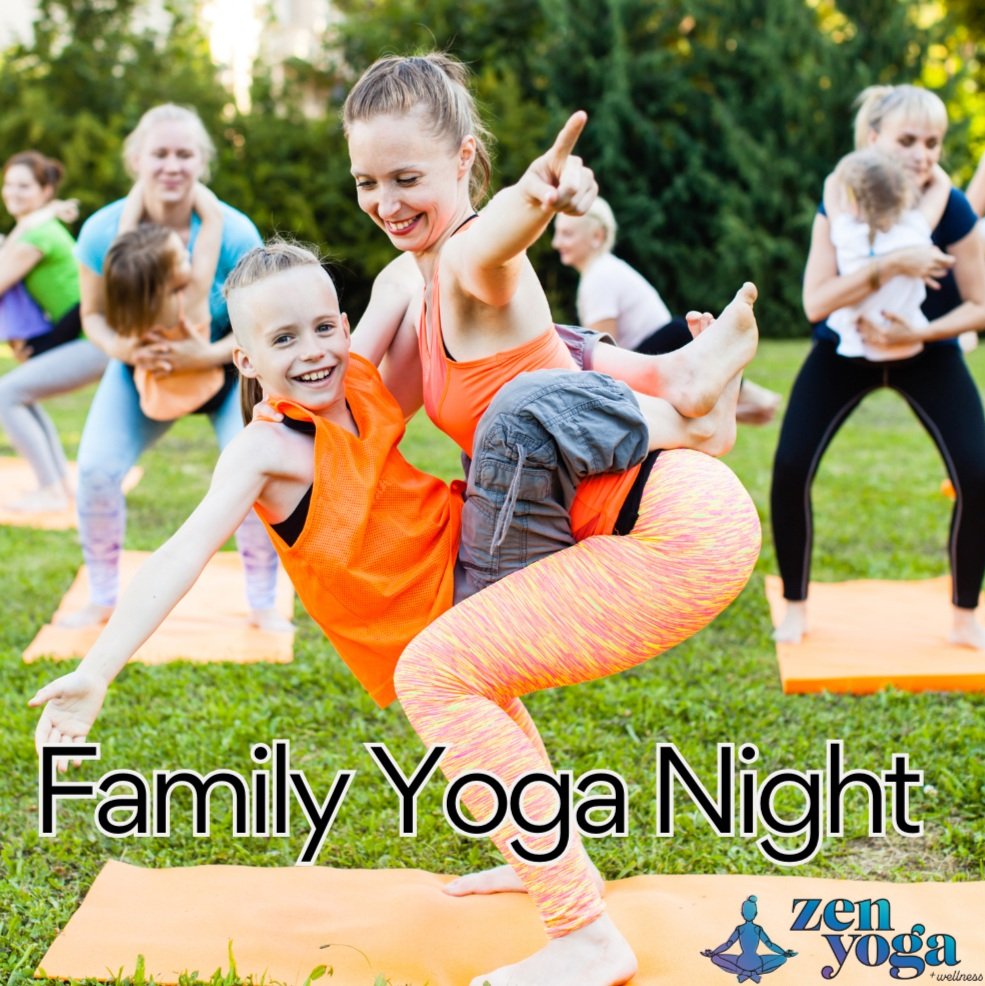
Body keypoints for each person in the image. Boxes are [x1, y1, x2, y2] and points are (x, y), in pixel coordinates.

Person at [31, 244, 760, 986]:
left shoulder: (358, 379)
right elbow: (181, 553)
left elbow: (402, 276)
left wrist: (447, 233)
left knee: (516, 409)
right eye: (283, 339)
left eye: (324, 328)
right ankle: (543, 862)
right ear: (244, 360)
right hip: (458, 587)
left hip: (481, 558)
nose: (312, 352)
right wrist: (97, 670)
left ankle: (586, 935)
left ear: (344, 326)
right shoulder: (263, 449)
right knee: (488, 712)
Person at [342, 53, 761, 984]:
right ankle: (542, 858)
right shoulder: (420, 286)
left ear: (464, 159)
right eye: (367, 181)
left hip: (671, 531)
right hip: (653, 512)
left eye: (407, 178)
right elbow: (364, 409)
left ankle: (586, 938)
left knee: (436, 674)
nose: (385, 201)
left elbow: (494, 244)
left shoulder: (470, 260)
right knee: (471, 667)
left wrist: (537, 194)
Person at [770, 84, 985, 648]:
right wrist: (891, 265)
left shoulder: (952, 207)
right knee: (791, 466)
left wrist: (921, 332)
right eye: (907, 140)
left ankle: (965, 616)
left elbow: (981, 304)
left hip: (926, 349)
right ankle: (795, 608)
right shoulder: (841, 195)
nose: (923, 154)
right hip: (844, 350)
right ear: (873, 139)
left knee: (978, 473)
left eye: (933, 143)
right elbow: (815, 302)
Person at [60, 103, 283, 631]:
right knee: (95, 470)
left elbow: (263, 327)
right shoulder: (102, 231)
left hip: (227, 369)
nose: (172, 165)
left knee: (256, 474)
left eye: (184, 154)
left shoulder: (233, 233)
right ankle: (102, 596)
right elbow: (92, 317)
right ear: (137, 159)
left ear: (201, 161)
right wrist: (125, 350)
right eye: (159, 153)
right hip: (141, 369)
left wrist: (204, 356)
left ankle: (263, 603)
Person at [551, 196, 781, 424]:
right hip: (666, 344)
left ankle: (747, 401)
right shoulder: (605, 269)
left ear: (597, 236)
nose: (556, 243)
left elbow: (596, 358)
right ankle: (742, 405)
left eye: (567, 234)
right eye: (558, 233)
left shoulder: (599, 276)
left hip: (661, 348)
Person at [0, 151, 108, 512]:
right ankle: (59, 486)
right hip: (88, 338)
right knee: (19, 395)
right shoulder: (38, 227)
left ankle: (51, 490)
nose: (13, 193)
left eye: (24, 186)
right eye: (9, 185)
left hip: (95, 340)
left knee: (6, 394)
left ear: (45, 191)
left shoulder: (39, 235)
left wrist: (45, 215)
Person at [103, 181, 227, 421]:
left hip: (156, 402)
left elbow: (126, 233)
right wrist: (188, 181)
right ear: (163, 281)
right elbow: (213, 219)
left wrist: (146, 181)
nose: (188, 254)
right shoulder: (191, 298)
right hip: (208, 391)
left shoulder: (130, 306)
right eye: (181, 259)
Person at [823, 147, 950, 361]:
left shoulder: (848, 235)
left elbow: (830, 186)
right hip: (908, 339)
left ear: (853, 201)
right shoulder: (915, 232)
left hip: (860, 345)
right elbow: (942, 185)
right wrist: (925, 160)